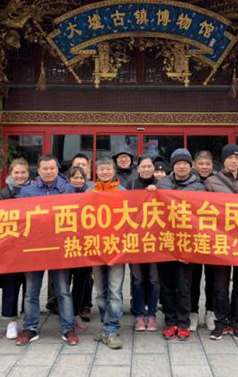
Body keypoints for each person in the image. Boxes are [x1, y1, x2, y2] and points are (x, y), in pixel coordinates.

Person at [16, 155, 78, 346]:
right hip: (34, 248)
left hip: (59, 247)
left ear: (57, 169)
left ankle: (68, 328)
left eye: (52, 168)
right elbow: (16, 217)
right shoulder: (27, 191)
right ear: (38, 170)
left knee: (63, 290)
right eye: (45, 168)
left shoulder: (69, 190)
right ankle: (30, 327)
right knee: (31, 291)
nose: (49, 172)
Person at [204, 144, 238, 341]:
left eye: (237, 158)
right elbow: (202, 209)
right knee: (220, 285)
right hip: (221, 240)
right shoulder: (211, 182)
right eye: (230, 158)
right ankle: (221, 321)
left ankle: (236, 322)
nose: (233, 161)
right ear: (223, 160)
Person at [154, 148, 205, 341]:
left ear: (190, 166)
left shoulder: (199, 187)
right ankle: (170, 322)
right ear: (172, 166)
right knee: (166, 285)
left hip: (187, 243)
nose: (181, 166)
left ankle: (183, 323)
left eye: (185, 163)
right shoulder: (162, 184)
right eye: (178, 163)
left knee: (184, 286)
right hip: (165, 242)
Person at [92, 157, 126, 349]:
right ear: (96, 172)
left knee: (115, 291)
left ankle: (112, 329)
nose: (105, 172)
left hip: (116, 250)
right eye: (101, 169)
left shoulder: (123, 193)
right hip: (95, 248)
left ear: (114, 171)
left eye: (108, 169)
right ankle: (106, 325)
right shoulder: (90, 193)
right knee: (100, 291)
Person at [0, 158, 30, 339]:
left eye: (23, 172)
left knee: (30, 284)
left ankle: (28, 317)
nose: (20, 176)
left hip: (30, 245)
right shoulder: (2, 194)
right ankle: (11, 321)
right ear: (10, 174)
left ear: (28, 174)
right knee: (10, 284)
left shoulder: (34, 191)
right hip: (9, 247)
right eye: (16, 172)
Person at [127, 156, 160, 332]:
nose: (146, 169)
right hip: (135, 240)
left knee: (154, 279)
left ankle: (152, 314)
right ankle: (139, 315)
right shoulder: (131, 185)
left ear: (153, 168)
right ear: (138, 169)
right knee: (138, 279)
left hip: (155, 241)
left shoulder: (162, 185)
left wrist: (157, 191)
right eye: (143, 166)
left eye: (149, 166)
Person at [191, 150, 217, 331]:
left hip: (214, 237)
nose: (204, 167)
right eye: (201, 164)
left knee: (213, 277)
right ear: (194, 165)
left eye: (207, 164)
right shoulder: (188, 182)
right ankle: (192, 312)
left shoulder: (219, 182)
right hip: (192, 236)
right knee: (193, 277)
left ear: (212, 165)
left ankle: (211, 312)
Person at [66, 166, 93, 330]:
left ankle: (76, 313)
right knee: (64, 284)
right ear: (68, 179)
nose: (78, 180)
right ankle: (65, 315)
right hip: (66, 246)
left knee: (80, 282)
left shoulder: (91, 195)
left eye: (81, 178)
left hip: (84, 246)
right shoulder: (62, 195)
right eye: (75, 177)